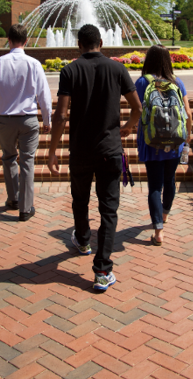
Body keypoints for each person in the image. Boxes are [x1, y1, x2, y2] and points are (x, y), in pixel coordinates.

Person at [48, 24, 142, 292]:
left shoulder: (70, 70)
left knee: (80, 199)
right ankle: (102, 270)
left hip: (80, 150)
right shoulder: (117, 69)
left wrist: (53, 150)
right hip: (110, 151)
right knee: (108, 209)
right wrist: (127, 126)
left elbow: (62, 114)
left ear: (79, 44)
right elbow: (137, 108)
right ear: (101, 42)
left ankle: (83, 241)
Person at [0, 24, 52, 222]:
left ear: (9, 39)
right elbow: (44, 95)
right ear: (26, 40)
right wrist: (46, 119)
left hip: (5, 120)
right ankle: (25, 207)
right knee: (27, 161)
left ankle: (13, 198)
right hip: (28, 119)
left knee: (8, 158)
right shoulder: (34, 63)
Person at [136, 45, 192, 246]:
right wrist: (188, 135)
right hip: (175, 139)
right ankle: (165, 215)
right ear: (168, 60)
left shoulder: (142, 82)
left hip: (151, 141)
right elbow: (188, 113)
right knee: (169, 180)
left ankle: (158, 231)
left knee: (154, 186)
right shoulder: (177, 82)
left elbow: (137, 110)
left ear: (148, 60)